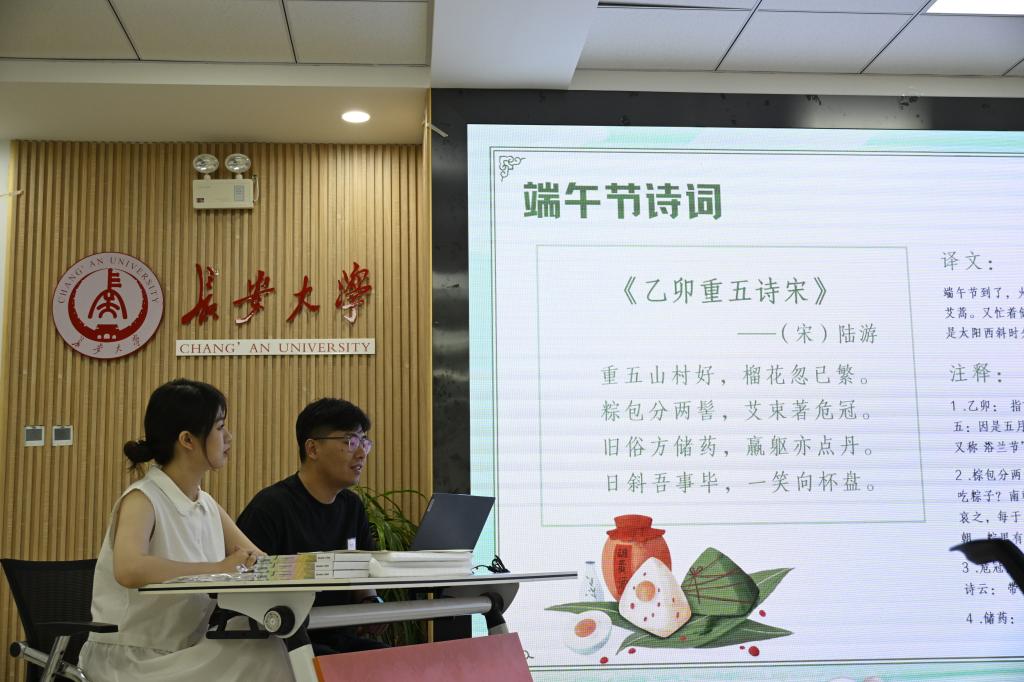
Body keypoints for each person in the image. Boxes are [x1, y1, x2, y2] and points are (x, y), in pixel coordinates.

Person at [79, 378, 295, 682]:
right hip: (131, 659)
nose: (229, 437)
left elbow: (261, 560)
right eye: (220, 427)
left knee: (263, 641)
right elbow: (128, 569)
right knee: (266, 654)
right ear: (188, 440)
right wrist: (219, 568)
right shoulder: (143, 498)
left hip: (184, 651)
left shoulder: (205, 504)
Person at [236, 397, 385, 655]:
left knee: (387, 659)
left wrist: (370, 600)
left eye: (364, 442)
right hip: (283, 643)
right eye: (350, 442)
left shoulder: (352, 506)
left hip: (338, 633)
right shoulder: (270, 508)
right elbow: (243, 588)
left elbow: (362, 568)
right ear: (313, 449)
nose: (361, 453)